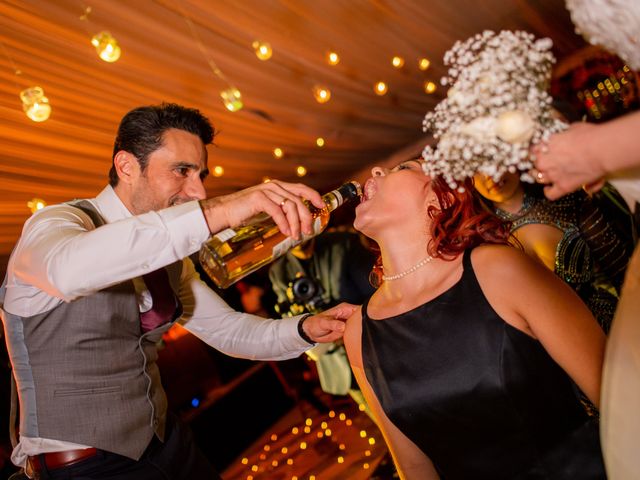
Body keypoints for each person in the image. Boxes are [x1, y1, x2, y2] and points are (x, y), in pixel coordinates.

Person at [0, 103, 355, 480]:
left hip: (170, 442)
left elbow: (229, 330)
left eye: (200, 174)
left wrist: (304, 329)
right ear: (126, 167)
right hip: (85, 469)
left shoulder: (172, 261)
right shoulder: (55, 224)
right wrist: (224, 208)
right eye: (181, 171)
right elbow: (68, 270)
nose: (198, 190)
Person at [343, 159, 607, 479]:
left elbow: (612, 391)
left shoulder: (497, 270)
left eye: (403, 168)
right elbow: (413, 468)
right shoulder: (359, 331)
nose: (375, 171)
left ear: (442, 199)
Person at [474, 172, 633, 333]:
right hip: (546, 349)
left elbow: (623, 272)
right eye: (474, 168)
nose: (489, 175)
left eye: (491, 158)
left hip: (610, 326)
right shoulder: (481, 242)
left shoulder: (567, 201)